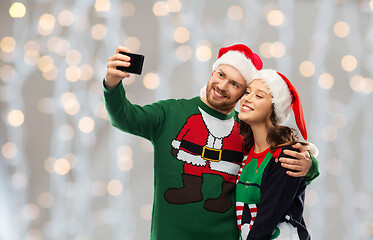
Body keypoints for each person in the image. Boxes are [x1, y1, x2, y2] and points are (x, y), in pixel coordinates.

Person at [103, 44, 319, 240]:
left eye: (234, 84)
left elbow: (275, 163)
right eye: (221, 74)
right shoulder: (170, 113)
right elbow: (124, 117)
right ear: (213, 72)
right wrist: (111, 85)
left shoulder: (245, 130)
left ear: (242, 94)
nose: (223, 86)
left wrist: (310, 166)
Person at [236, 69, 318, 239]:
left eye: (259, 96)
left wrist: (312, 164)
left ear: (274, 109)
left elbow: (266, 222)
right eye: (247, 92)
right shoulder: (245, 151)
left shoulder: (287, 157)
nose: (247, 98)